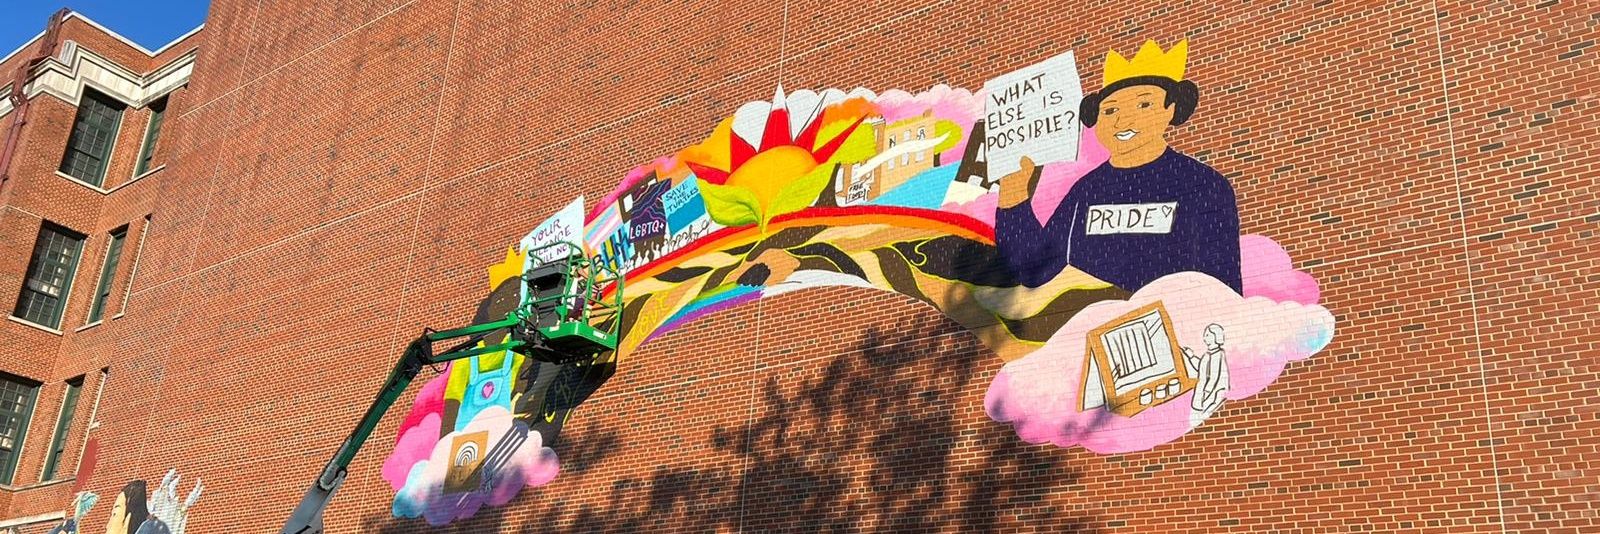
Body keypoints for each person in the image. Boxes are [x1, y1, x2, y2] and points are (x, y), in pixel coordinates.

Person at [996, 39, 1242, 293]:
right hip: (1092, 328)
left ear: (1171, 109)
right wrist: (1014, 199)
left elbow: (1221, 283)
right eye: (1110, 110)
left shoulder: (1203, 184)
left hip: (1179, 325)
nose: (1122, 119)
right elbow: (1036, 269)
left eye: (1143, 104)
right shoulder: (1087, 191)